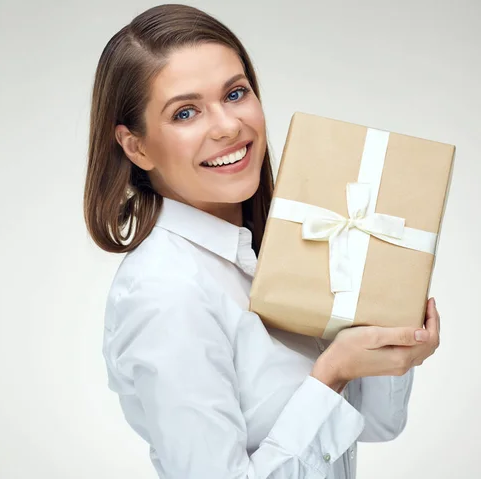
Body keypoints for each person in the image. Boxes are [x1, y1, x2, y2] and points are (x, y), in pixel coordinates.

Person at [83, 4, 441, 478]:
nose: (229, 126)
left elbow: (375, 425)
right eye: (185, 112)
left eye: (235, 93)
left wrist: (391, 328)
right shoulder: (167, 291)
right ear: (137, 146)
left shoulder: (273, 256)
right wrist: (330, 373)